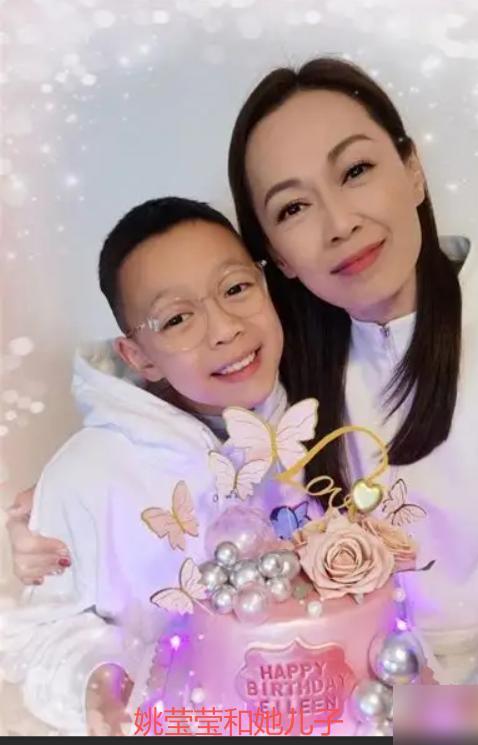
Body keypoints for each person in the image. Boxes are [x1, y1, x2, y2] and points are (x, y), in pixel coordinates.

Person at [225, 57, 478, 684]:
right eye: (293, 208)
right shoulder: (269, 383)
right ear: (276, 257)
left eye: (356, 171)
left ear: (413, 170)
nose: (340, 224)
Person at [0, 196, 313, 735]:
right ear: (138, 355)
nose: (224, 329)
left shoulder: (320, 416)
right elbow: (36, 633)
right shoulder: (87, 473)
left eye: (236, 288)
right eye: (176, 319)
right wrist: (101, 684)